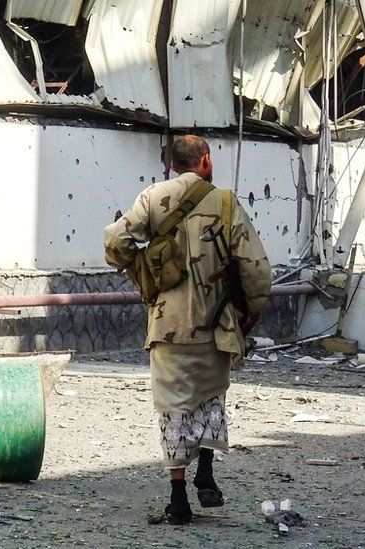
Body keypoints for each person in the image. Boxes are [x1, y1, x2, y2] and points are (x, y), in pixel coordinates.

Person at [103, 135, 271, 525]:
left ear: (172, 165)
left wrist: (142, 266)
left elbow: (115, 242)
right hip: (215, 324)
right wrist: (251, 311)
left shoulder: (152, 198)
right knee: (210, 397)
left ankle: (178, 497)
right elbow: (256, 268)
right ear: (205, 161)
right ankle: (206, 469)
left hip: (168, 326)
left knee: (173, 408)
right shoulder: (225, 203)